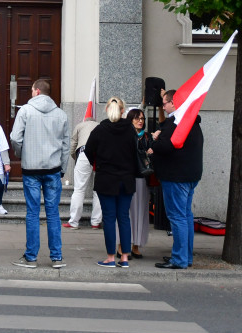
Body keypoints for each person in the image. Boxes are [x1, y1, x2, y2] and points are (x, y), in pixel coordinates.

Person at [10, 78, 71, 269]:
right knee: (53, 213)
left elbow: (14, 138)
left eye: (31, 90)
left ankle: (31, 257)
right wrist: (62, 167)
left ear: (36, 91)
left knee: (33, 213)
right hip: (53, 169)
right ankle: (57, 257)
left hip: (31, 169)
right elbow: (66, 145)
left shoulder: (25, 111)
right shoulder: (61, 115)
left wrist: (22, 155)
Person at [151, 89, 203, 269]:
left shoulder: (177, 123)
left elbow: (165, 146)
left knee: (178, 217)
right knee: (186, 216)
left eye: (164, 103)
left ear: (174, 103)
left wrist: (156, 140)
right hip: (190, 176)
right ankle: (185, 256)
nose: (163, 107)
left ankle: (179, 259)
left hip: (176, 177)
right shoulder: (192, 122)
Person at [85, 97, 137, 268]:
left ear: (107, 109)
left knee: (108, 218)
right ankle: (125, 258)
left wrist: (99, 161)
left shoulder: (100, 129)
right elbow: (135, 153)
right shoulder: (130, 129)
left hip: (106, 179)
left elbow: (88, 151)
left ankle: (110, 257)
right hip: (126, 179)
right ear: (123, 111)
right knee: (124, 217)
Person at [65, 111, 101, 230]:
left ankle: (74, 222)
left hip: (84, 153)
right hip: (99, 155)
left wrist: (75, 158)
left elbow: (73, 146)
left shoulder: (80, 126)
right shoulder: (100, 125)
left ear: (86, 120)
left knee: (79, 189)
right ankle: (96, 222)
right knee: (98, 191)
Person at [126, 107, 151, 258]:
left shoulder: (147, 137)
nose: (140, 121)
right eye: (137, 118)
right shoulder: (127, 135)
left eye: (142, 119)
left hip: (142, 178)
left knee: (141, 212)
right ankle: (123, 245)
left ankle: (136, 244)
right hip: (128, 177)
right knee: (127, 213)